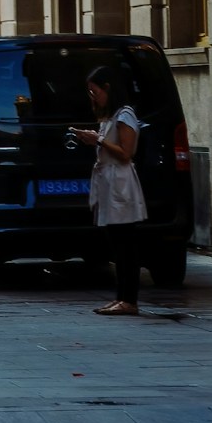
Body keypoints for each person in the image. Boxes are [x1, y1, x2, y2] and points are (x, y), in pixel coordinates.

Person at [71, 62, 147, 315]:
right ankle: (121, 297)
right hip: (109, 180)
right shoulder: (111, 116)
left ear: (108, 88)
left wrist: (99, 140)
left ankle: (129, 300)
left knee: (126, 244)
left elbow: (126, 152)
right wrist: (94, 139)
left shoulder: (125, 115)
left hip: (120, 183)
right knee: (117, 243)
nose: (93, 97)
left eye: (95, 92)